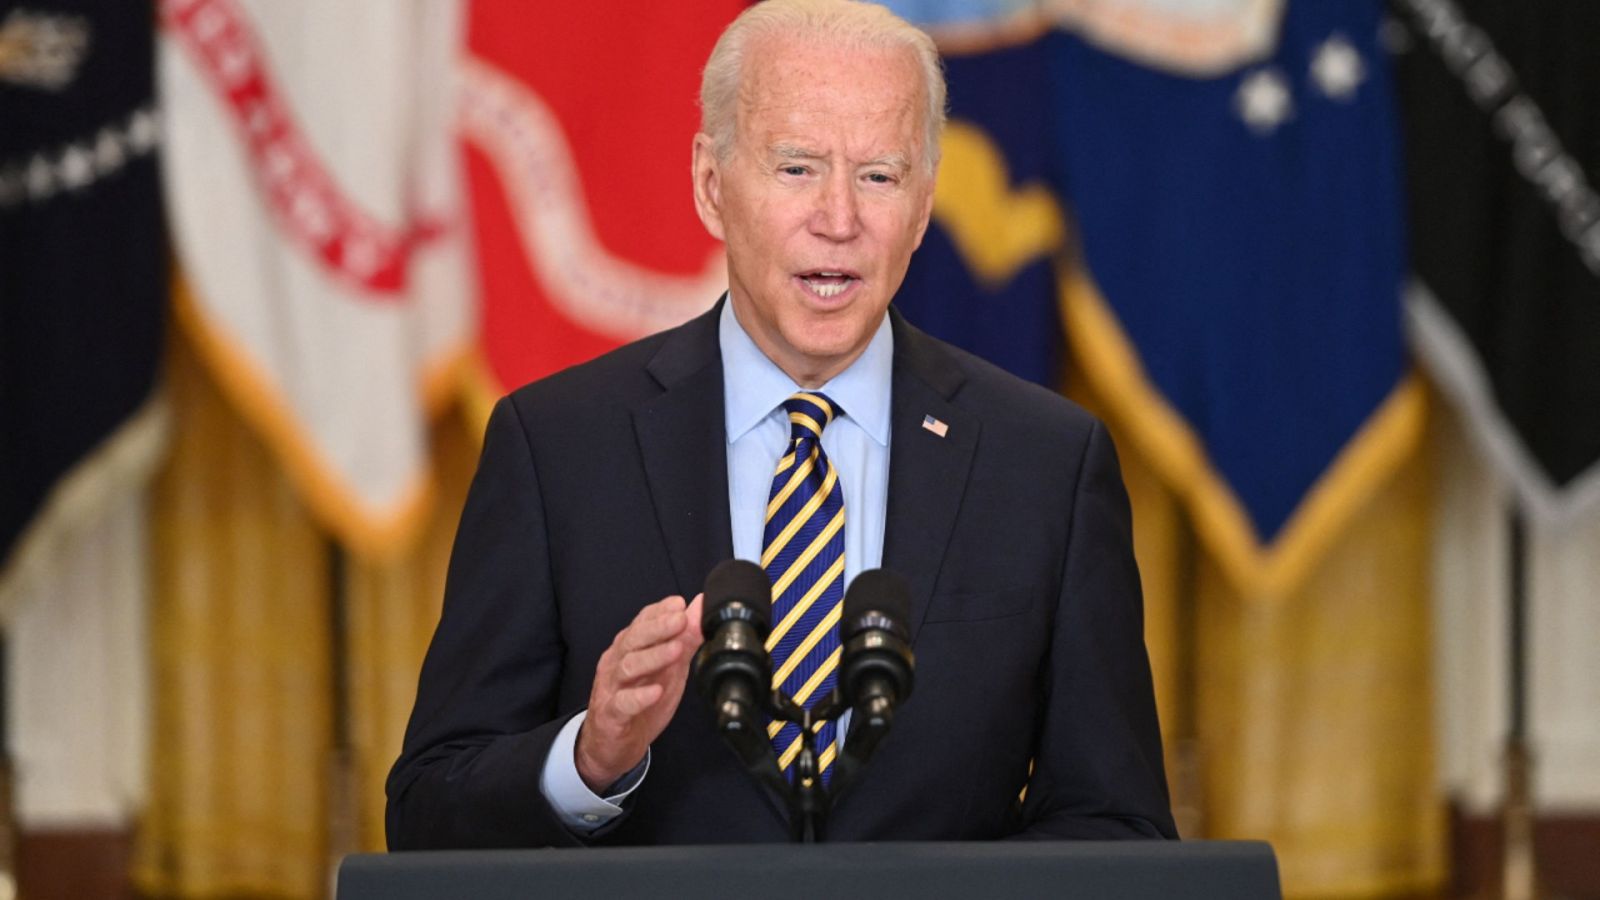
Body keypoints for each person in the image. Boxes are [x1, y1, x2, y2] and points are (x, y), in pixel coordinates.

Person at [387, 0, 1175, 848]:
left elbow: (1116, 824)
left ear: (923, 204)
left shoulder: (1046, 465)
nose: (839, 218)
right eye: (797, 168)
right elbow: (430, 811)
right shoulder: (559, 449)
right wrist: (589, 758)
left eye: (879, 175)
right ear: (711, 185)